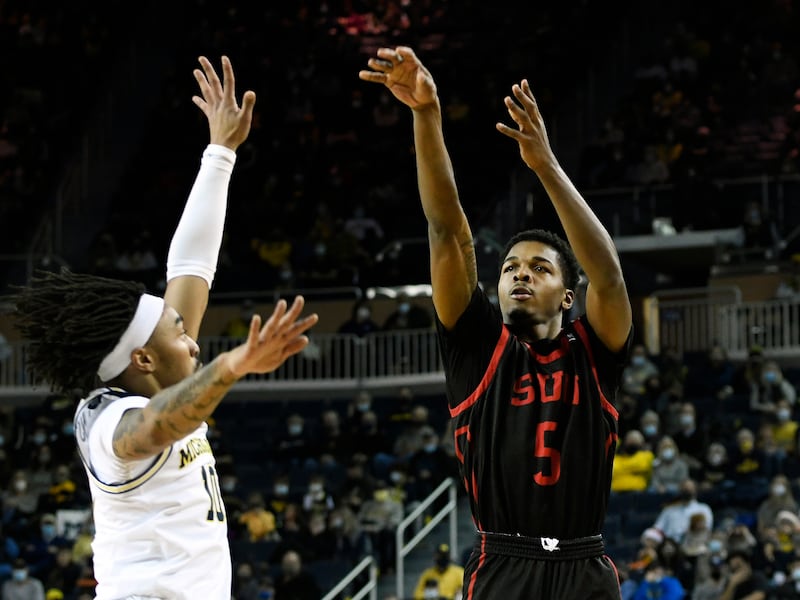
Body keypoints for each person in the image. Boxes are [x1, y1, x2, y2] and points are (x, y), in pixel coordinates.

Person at [9, 56, 319, 600]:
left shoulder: (162, 375)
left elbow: (192, 266)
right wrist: (234, 364)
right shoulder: (105, 422)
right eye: (178, 332)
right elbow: (153, 428)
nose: (192, 337)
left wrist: (221, 152)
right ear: (143, 360)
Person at [360, 46, 632, 598]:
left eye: (539, 268)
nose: (519, 276)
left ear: (567, 297)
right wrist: (426, 114)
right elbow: (447, 232)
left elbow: (608, 277)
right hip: (503, 564)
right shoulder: (476, 348)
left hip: (585, 564)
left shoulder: (595, 348)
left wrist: (547, 168)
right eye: (509, 268)